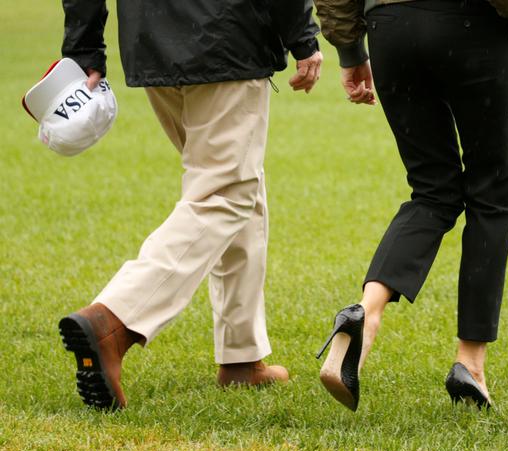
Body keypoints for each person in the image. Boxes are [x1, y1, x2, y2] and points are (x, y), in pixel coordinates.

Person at [57, 0, 323, 410]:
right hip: (227, 36)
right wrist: (303, 38)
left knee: (236, 186)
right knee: (225, 194)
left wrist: (84, 49)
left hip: (152, 40)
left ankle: (242, 356)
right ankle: (112, 321)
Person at [314, 0, 508, 411]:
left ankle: (366, 311)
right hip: (474, 24)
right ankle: (470, 363)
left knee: (433, 191)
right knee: (492, 194)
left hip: (391, 31)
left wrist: (349, 47)